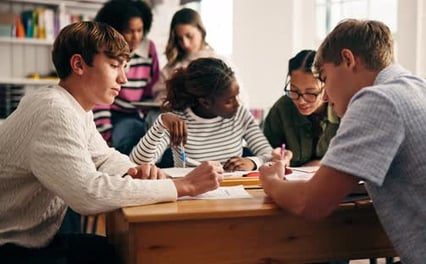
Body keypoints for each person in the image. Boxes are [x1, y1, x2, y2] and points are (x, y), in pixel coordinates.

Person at [259, 19, 426, 263]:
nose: (327, 95)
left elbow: (310, 203)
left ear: (348, 60)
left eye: (325, 77)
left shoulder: (377, 99)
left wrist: (271, 181)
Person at [0, 21, 222, 264]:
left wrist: (134, 171)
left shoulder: (72, 106)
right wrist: (184, 186)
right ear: (78, 65)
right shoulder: (55, 110)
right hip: (13, 249)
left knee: (126, 250)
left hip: (35, 241)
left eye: (124, 67)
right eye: (115, 66)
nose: (124, 78)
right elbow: (88, 193)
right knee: (139, 253)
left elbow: (103, 157)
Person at [131, 57, 272, 171]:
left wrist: (253, 162)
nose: (237, 104)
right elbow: (137, 163)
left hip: (233, 193)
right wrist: (161, 123)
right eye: (229, 100)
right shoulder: (177, 121)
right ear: (205, 102)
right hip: (190, 197)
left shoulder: (240, 115)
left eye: (236, 96)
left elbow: (271, 156)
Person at [93, 0, 160, 155]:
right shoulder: (106, 51)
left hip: (139, 113)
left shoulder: (149, 48)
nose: (136, 37)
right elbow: (100, 98)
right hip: (113, 115)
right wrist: (106, 133)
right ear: (116, 31)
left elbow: (154, 86)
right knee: (130, 135)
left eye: (140, 30)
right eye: (129, 31)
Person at [263, 49, 340, 167]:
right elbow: (265, 154)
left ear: (326, 85)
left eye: (310, 93)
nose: (301, 101)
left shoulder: (342, 109)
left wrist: (322, 165)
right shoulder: (281, 110)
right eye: (294, 91)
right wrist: (275, 159)